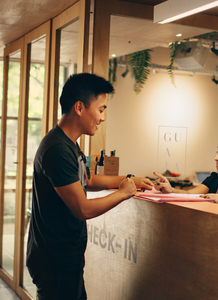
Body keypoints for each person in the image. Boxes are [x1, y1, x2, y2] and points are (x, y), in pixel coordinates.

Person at [26, 73, 153, 300]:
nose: (103, 117)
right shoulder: (57, 149)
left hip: (64, 257)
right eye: (101, 109)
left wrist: (131, 179)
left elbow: (89, 180)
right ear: (79, 107)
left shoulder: (69, 144)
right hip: (55, 260)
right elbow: (82, 209)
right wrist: (124, 193)